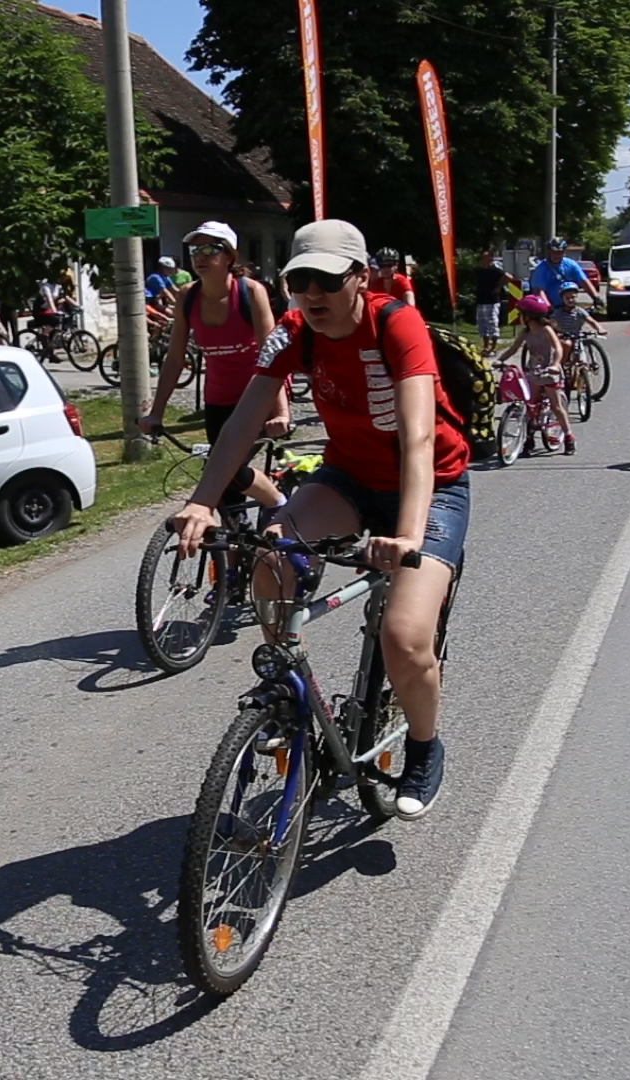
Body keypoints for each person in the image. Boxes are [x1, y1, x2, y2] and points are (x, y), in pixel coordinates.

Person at [170, 219, 471, 820]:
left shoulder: (396, 323)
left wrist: (408, 535)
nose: (313, 294)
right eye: (300, 280)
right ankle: (289, 694)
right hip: (349, 479)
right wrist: (203, 501)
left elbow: (417, 437)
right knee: (269, 552)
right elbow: (243, 421)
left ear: (360, 278)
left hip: (432, 486)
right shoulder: (293, 331)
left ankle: (423, 747)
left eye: (327, 281)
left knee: (404, 638)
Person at [141, 221, 291, 518]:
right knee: (225, 492)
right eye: (195, 250)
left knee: (225, 469)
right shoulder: (188, 296)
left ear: (230, 256)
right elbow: (174, 359)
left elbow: (272, 355)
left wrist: (281, 413)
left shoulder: (251, 292)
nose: (200, 256)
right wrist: (156, 413)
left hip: (256, 398)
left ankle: (277, 502)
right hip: (217, 401)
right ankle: (234, 547)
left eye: (211, 249)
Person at [496, 293, 576, 455]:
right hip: (533, 371)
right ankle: (529, 438)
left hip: (549, 372)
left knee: (556, 406)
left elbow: (558, 348)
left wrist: (556, 364)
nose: (520, 317)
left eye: (521, 314)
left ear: (528, 317)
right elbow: (513, 349)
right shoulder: (525, 332)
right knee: (530, 405)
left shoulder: (546, 329)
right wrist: (500, 360)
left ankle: (569, 437)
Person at [551, 281, 604, 376]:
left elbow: (591, 321)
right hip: (564, 336)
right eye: (567, 298)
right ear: (562, 299)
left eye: (573, 297)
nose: (570, 300)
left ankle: (581, 373)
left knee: (580, 348)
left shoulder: (580, 311)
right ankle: (562, 364)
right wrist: (556, 332)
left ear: (577, 297)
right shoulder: (558, 313)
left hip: (577, 335)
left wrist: (599, 328)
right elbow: (552, 324)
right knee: (567, 344)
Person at [529, 238, 590, 308]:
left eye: (560, 252)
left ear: (564, 252)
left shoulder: (571, 264)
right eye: (554, 252)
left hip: (569, 306)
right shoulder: (541, 268)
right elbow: (539, 291)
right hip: (551, 306)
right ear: (549, 252)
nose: (557, 255)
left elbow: (584, 282)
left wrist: (595, 298)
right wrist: (549, 308)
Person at [472, 249, 509, 354]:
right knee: (482, 324)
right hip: (481, 300)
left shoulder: (495, 270)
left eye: (486, 258)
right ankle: (486, 346)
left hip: (492, 301)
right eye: (482, 258)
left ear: (490, 259)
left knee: (492, 323)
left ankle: (494, 347)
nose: (483, 260)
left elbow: (508, 276)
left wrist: (499, 287)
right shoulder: (479, 270)